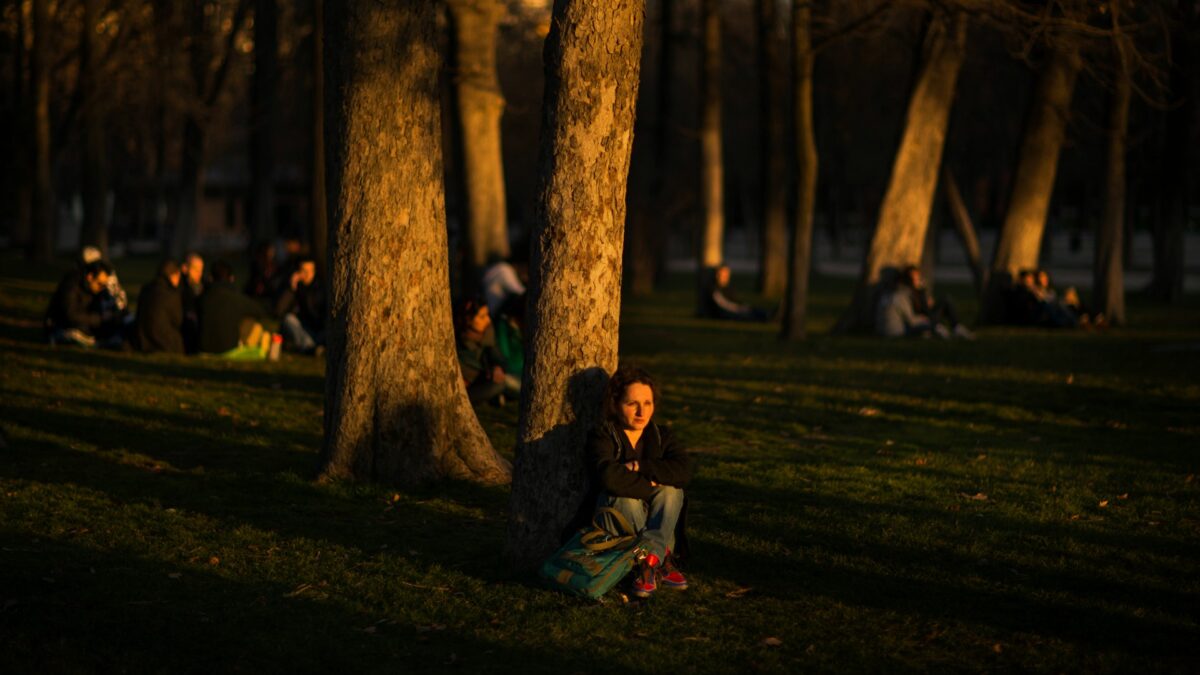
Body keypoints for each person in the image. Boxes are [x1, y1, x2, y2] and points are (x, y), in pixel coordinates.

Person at [586, 366, 692, 598]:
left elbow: (683, 471)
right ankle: (660, 559)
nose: (641, 412)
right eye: (632, 403)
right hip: (616, 517)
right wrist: (652, 486)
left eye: (647, 403)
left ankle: (647, 563)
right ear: (615, 404)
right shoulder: (603, 435)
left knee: (672, 492)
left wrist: (640, 467)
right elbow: (608, 477)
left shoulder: (661, 435)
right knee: (629, 499)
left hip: (651, 516)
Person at [198, 260, 273, 358]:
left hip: (203, 349)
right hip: (228, 350)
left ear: (210, 278)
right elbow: (260, 311)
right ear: (231, 278)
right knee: (254, 325)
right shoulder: (235, 299)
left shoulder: (202, 298)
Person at [877, 265, 973, 339]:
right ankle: (947, 328)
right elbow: (912, 318)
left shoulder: (894, 294)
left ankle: (955, 327)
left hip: (908, 323)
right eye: (915, 279)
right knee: (942, 305)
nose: (918, 281)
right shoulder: (902, 295)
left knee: (945, 300)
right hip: (902, 329)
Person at [45, 260, 124, 347]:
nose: (102, 288)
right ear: (90, 277)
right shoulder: (71, 284)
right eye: (100, 284)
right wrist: (99, 319)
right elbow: (70, 314)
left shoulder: (96, 288)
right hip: (63, 323)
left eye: (104, 285)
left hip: (85, 319)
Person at [455, 297, 507, 405]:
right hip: (464, 382)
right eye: (482, 317)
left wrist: (497, 367)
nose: (488, 320)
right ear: (468, 318)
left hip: (482, 377)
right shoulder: (457, 338)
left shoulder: (487, 335)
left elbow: (497, 356)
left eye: (487, 315)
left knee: (504, 382)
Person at [274, 256, 325, 354]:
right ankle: (310, 347)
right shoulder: (296, 287)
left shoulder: (320, 288)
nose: (306, 275)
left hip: (318, 330)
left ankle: (311, 347)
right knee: (288, 319)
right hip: (303, 329)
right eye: (303, 271)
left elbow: (317, 315)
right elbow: (278, 311)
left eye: (309, 272)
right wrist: (291, 288)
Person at [134, 259, 185, 355]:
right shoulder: (171, 294)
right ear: (173, 275)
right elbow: (178, 320)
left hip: (142, 340)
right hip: (165, 343)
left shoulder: (146, 289)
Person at [699, 265, 769, 321]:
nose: (725, 277)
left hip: (734, 310)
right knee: (749, 315)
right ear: (717, 275)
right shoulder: (713, 289)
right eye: (722, 275)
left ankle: (769, 315)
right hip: (726, 314)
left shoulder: (727, 289)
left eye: (727, 275)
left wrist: (744, 306)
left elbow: (735, 300)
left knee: (755, 310)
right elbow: (724, 305)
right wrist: (740, 309)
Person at [492, 294, 525, 394]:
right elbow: (504, 353)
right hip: (510, 371)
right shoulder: (504, 325)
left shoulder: (527, 326)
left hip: (523, 371)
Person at [179, 252, 206, 353]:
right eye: (195, 269)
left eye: (201, 270)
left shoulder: (204, 286)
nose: (199, 273)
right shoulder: (180, 288)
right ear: (185, 268)